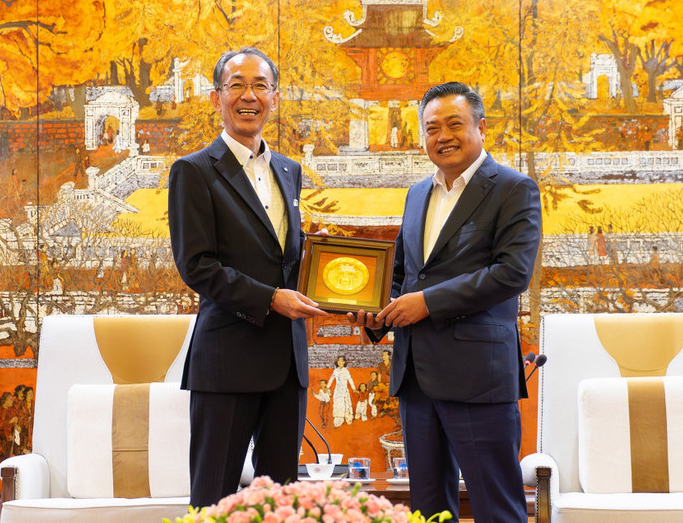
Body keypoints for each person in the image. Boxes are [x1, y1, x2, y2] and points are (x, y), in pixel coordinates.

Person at [349, 82, 541, 522]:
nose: (443, 136)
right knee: (429, 510)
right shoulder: (418, 193)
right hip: (416, 378)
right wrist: (379, 314)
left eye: (455, 124)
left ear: (481, 127)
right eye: (432, 128)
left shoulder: (513, 188)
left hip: (478, 377)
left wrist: (427, 303)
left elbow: (512, 273)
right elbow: (405, 275)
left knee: (497, 508)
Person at [168, 47, 327, 508]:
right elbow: (197, 265)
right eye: (236, 85)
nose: (249, 96)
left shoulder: (289, 171)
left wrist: (323, 271)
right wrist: (271, 298)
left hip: (287, 363)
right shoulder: (194, 171)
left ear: (275, 98)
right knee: (214, 501)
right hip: (227, 361)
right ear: (216, 97)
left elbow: (279, 255)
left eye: (260, 86)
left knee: (279, 503)